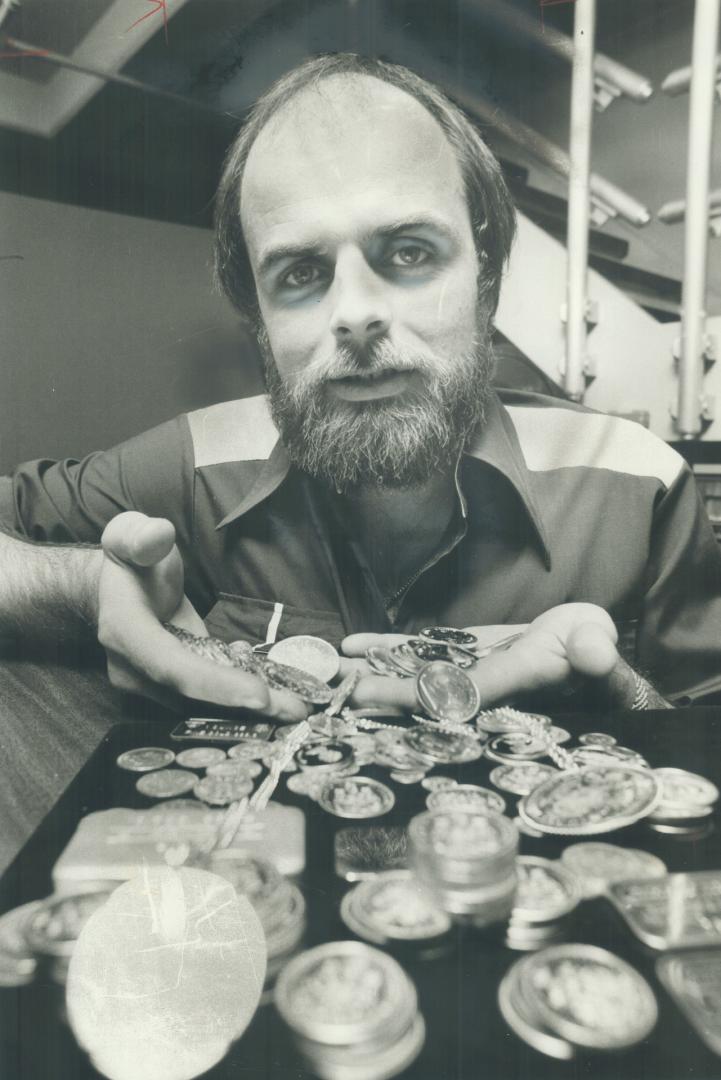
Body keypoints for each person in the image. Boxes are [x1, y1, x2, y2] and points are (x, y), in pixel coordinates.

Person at [2, 54, 720, 723]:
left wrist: (619, 698)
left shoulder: (641, 488)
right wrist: (81, 585)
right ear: (257, 318)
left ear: (487, 279)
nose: (354, 314)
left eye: (409, 252)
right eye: (301, 273)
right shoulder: (187, 468)